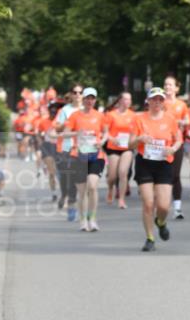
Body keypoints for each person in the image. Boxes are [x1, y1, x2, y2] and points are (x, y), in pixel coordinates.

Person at [130, 87, 183, 252]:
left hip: (164, 163)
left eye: (160, 99)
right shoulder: (140, 119)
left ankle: (160, 222)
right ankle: (150, 238)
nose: (157, 102)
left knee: (164, 206)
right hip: (144, 163)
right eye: (154, 99)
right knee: (148, 203)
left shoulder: (170, 119)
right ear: (148, 101)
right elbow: (130, 144)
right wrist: (139, 138)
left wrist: (173, 149)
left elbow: (178, 140)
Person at [62, 87, 108, 231]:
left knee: (92, 186)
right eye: (87, 98)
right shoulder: (75, 116)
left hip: (96, 155)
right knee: (82, 191)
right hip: (79, 155)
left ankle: (92, 218)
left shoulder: (100, 116)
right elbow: (65, 133)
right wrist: (77, 133)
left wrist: (102, 141)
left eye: (92, 98)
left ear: (95, 100)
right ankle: (83, 220)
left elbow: (106, 133)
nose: (89, 101)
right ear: (83, 99)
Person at [163, 74, 190, 220]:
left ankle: (177, 208)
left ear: (176, 88)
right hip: (162, 142)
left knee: (175, 174)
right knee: (162, 174)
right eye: (166, 84)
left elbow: (187, 120)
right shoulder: (160, 102)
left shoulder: (181, 104)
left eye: (170, 85)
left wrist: (181, 122)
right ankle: (162, 204)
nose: (168, 87)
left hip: (177, 142)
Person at [55, 85, 83, 220]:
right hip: (65, 147)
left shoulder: (87, 110)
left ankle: (72, 203)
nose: (77, 94)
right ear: (71, 95)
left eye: (80, 92)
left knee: (75, 177)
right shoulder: (65, 110)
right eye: (75, 92)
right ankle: (65, 196)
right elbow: (57, 129)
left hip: (83, 148)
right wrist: (65, 124)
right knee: (66, 177)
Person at [104, 91, 135, 209]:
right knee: (112, 176)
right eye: (126, 99)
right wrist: (112, 139)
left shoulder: (133, 115)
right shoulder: (111, 115)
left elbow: (136, 132)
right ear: (120, 101)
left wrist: (134, 140)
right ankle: (110, 188)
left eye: (129, 99)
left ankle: (121, 199)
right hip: (114, 147)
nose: (128, 102)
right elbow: (105, 132)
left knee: (123, 172)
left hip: (127, 148)